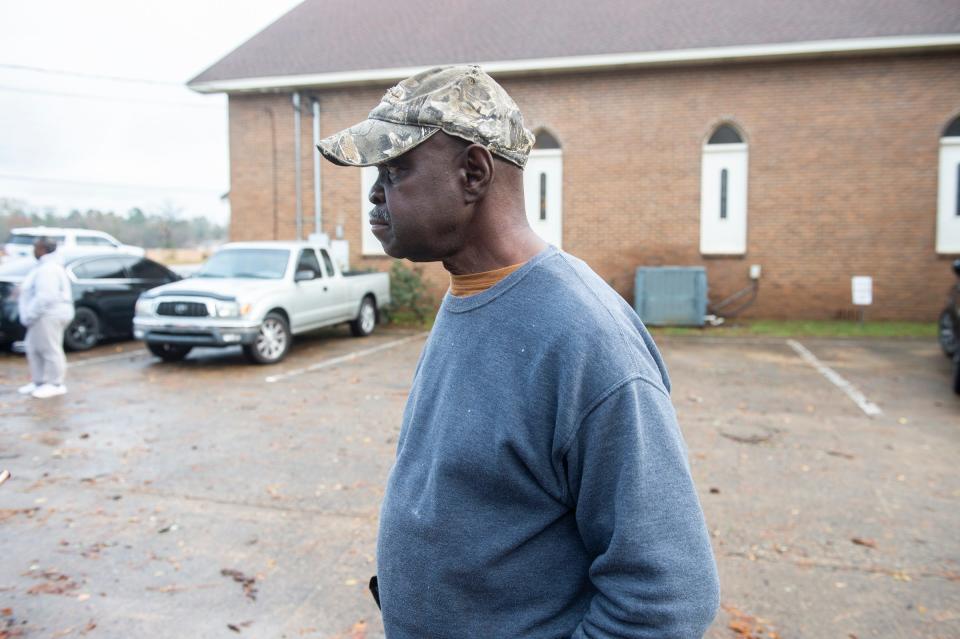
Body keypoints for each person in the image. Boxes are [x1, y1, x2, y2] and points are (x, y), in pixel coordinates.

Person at [318, 65, 720, 638]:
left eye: (395, 168)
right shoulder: (470, 294)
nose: (376, 195)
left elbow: (667, 597)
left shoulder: (587, 339)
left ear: (473, 173)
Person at [17, 237, 74, 399]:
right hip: (41, 315)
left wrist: (30, 314)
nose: (33, 250)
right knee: (34, 348)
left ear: (42, 249)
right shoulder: (43, 267)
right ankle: (39, 381)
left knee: (50, 348)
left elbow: (46, 296)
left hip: (48, 314)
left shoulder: (48, 269)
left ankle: (55, 383)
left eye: (35, 247)